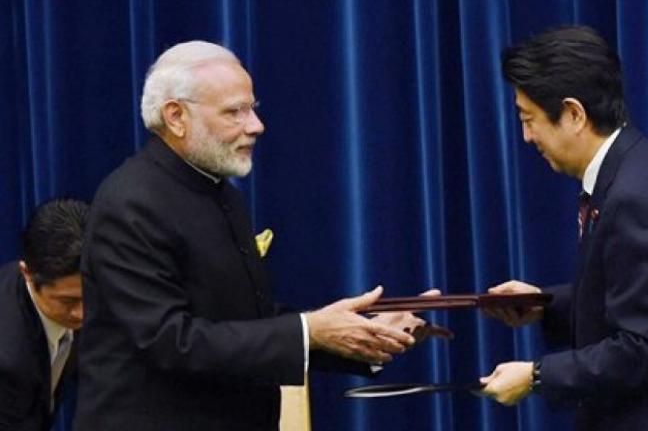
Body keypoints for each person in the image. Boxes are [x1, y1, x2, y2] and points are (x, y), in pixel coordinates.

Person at [73, 41, 429, 430]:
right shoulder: (131, 203)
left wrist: (362, 335)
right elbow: (171, 341)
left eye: (252, 108)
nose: (256, 126)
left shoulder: (222, 194)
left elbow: (247, 323)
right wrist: (311, 330)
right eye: (234, 112)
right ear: (176, 116)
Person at [479, 26, 648, 430]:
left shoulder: (634, 195)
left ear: (573, 114)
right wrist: (543, 304)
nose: (526, 136)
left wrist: (537, 376)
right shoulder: (634, 169)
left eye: (529, 119)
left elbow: (644, 347)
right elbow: (630, 297)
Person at [0, 198, 89, 431]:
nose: (82, 314)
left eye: (90, 295)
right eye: (68, 301)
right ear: (27, 273)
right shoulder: (8, 359)